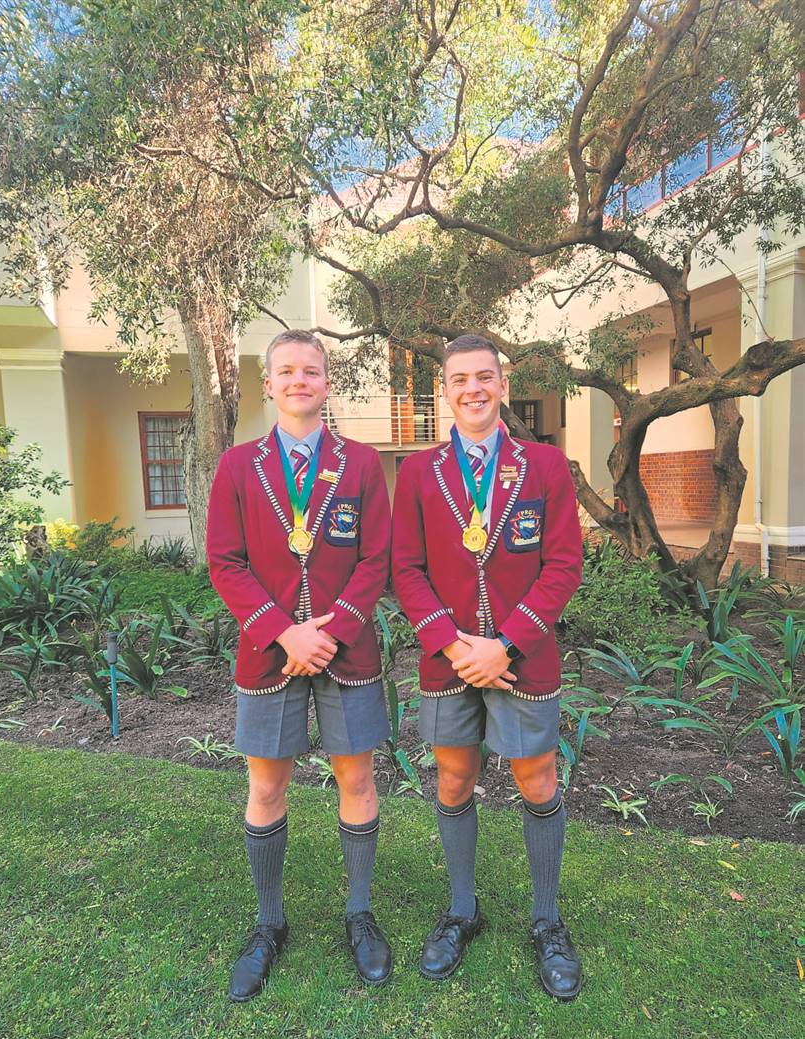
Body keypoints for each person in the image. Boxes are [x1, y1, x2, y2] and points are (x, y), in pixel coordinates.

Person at [392, 334, 584, 1000]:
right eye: (459, 379)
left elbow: (563, 565)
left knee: (536, 778)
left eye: (484, 377)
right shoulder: (418, 473)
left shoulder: (546, 466)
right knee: (453, 778)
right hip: (447, 659)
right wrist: (454, 646)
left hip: (522, 656)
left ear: (503, 385)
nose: (472, 389)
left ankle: (547, 920)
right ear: (444, 391)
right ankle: (462, 909)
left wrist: (505, 644)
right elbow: (406, 570)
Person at [207, 329, 393, 1002]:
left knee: (357, 778)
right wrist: (285, 632)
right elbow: (225, 563)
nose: (298, 381)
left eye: (310, 371)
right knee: (266, 788)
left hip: (349, 652)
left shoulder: (361, 464)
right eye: (286, 371)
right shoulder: (238, 467)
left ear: (326, 382)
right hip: (268, 652)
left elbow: (376, 560)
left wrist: (330, 631)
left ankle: (359, 913)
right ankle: (269, 923)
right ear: (269, 384)